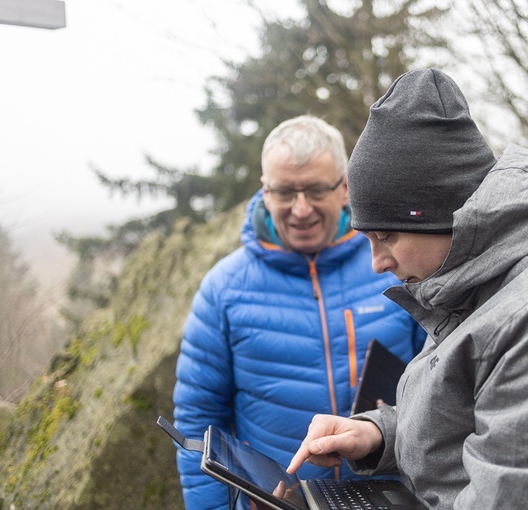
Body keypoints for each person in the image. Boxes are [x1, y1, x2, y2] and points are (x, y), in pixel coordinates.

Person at [286, 69, 528, 509]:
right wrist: (380, 434)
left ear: (445, 215)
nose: (378, 263)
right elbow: (487, 419)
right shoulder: (488, 282)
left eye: (386, 237)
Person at [172, 115, 426, 509]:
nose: (301, 209)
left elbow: (443, 387)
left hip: (392, 497)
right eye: (286, 192)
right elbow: (199, 421)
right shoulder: (224, 290)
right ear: (265, 190)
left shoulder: (394, 265)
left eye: (314, 190)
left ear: (344, 188)